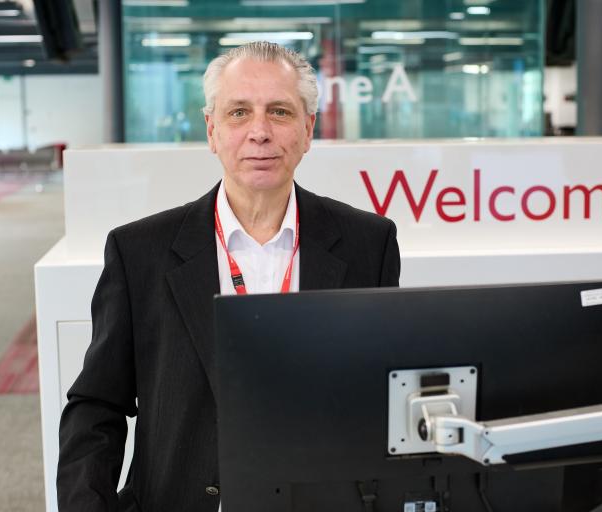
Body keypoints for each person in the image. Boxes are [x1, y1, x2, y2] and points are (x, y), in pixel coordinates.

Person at [57, 42, 400, 512]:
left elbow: (382, 401)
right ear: (212, 130)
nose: (259, 132)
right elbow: (97, 406)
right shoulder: (140, 252)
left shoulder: (369, 243)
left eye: (279, 112)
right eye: (239, 112)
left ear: (307, 130)